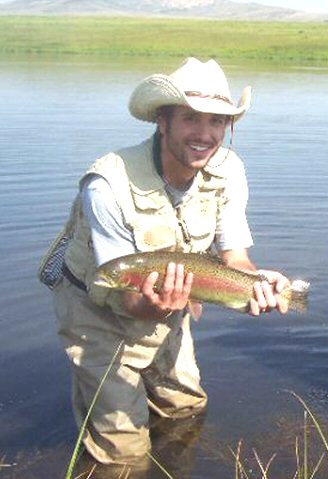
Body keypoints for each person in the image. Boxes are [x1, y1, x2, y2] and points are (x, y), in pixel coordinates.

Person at [41, 57, 292, 465]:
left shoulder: (229, 170)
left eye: (217, 121)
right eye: (191, 118)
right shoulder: (107, 185)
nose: (205, 134)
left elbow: (235, 257)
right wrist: (157, 306)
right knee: (123, 455)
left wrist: (253, 285)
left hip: (172, 297)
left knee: (185, 412)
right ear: (163, 121)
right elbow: (122, 292)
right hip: (96, 312)